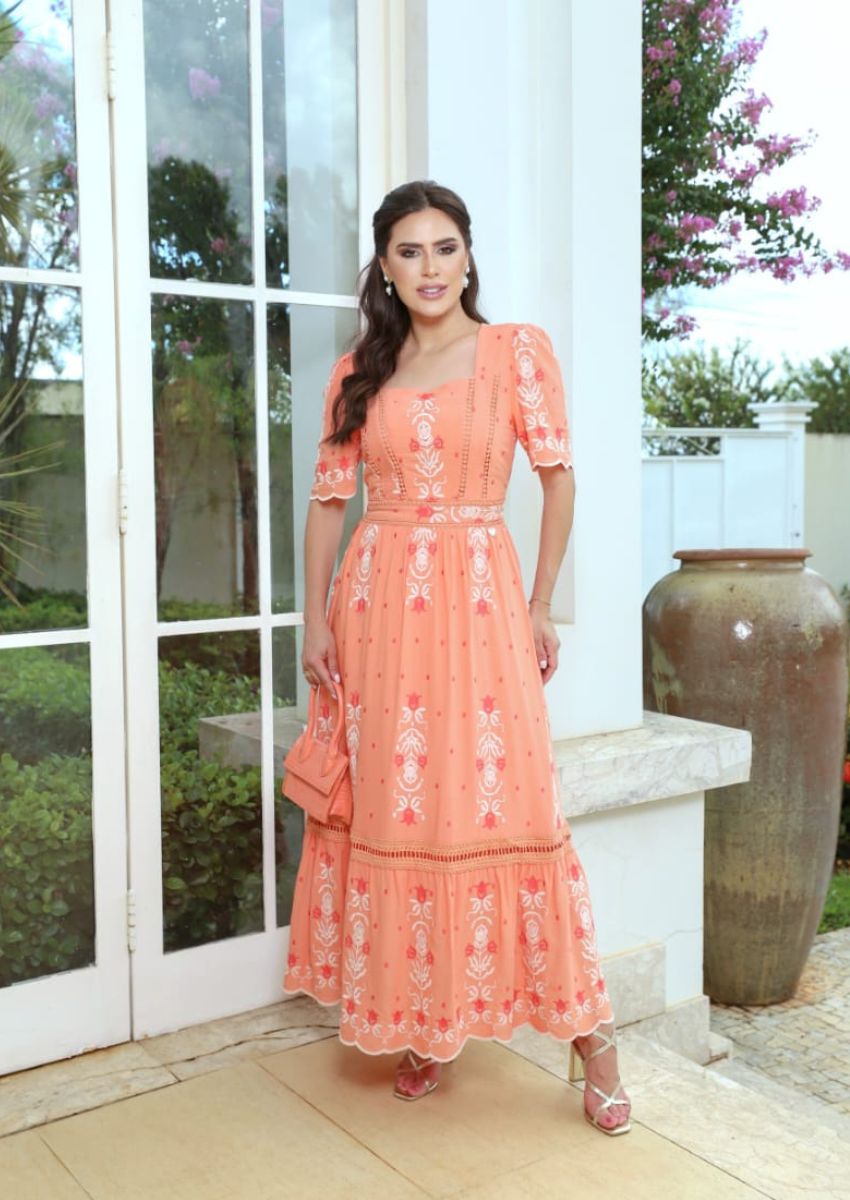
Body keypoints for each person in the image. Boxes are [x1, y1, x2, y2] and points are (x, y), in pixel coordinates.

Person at [283, 180, 632, 1135]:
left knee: (515, 810)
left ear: (468, 256)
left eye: (444, 248)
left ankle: (595, 1039)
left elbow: (559, 481)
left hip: (480, 603)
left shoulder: (516, 352)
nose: (429, 267)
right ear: (384, 267)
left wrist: (540, 603)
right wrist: (314, 619)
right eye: (409, 251)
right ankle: (425, 1025)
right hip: (377, 613)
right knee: (402, 810)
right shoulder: (359, 370)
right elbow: (327, 505)